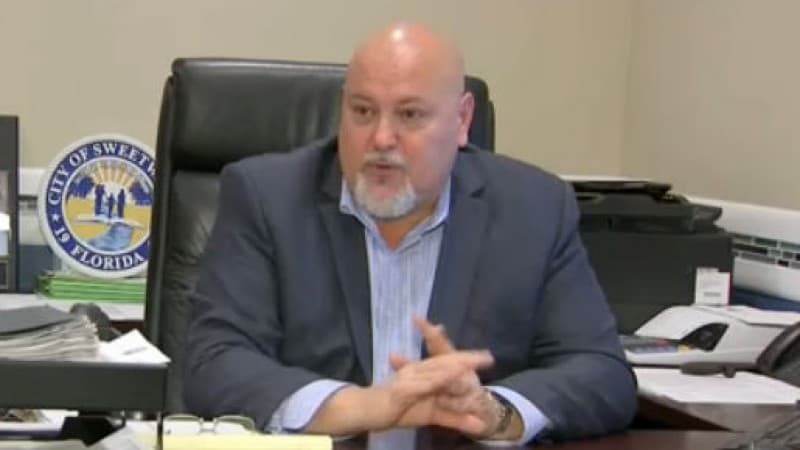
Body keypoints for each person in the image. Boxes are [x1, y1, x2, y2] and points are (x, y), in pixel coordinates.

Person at [183, 22, 637, 445]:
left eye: (410, 114)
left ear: (462, 120)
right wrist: (367, 406)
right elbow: (213, 362)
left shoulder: (533, 209)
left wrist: (493, 412)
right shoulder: (268, 197)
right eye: (363, 111)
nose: (382, 138)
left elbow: (602, 373)